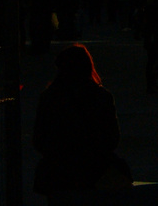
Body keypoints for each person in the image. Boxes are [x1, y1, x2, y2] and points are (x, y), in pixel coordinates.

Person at [32, 44, 130, 201]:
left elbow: (39, 139)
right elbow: (112, 138)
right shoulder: (101, 96)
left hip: (58, 173)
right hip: (96, 171)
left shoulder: (50, 98)